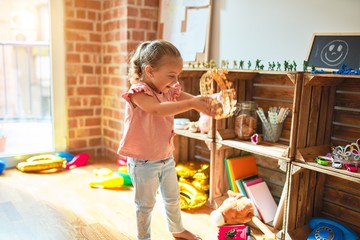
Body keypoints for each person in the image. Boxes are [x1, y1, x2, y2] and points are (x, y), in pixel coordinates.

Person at [118, 40, 214, 240]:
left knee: (173, 198)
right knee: (145, 205)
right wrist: (192, 104)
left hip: (165, 157)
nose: (174, 80)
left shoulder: (168, 89)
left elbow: (187, 98)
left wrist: (201, 102)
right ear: (150, 70)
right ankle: (144, 237)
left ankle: (177, 229)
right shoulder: (138, 92)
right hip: (143, 162)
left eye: (177, 75)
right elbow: (157, 109)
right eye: (171, 75)